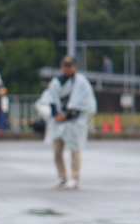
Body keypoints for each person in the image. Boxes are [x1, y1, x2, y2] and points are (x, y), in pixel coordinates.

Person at [36, 56, 97, 190]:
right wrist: (55, 114)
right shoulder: (56, 82)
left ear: (74, 67)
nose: (67, 68)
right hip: (58, 122)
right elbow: (50, 98)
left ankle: (75, 177)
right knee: (57, 151)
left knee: (75, 150)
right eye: (65, 66)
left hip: (74, 121)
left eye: (70, 66)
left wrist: (68, 116)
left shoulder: (81, 82)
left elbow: (84, 102)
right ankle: (61, 176)